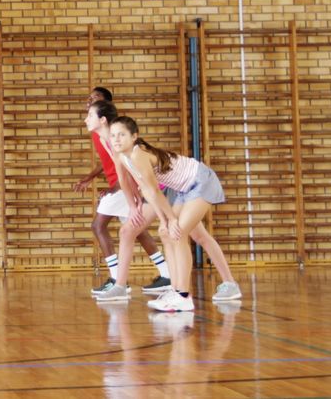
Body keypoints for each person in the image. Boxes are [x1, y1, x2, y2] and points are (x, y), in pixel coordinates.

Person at [89, 102, 241, 305]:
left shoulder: (137, 155)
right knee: (172, 233)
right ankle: (191, 288)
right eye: (114, 135)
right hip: (182, 189)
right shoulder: (123, 156)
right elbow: (143, 190)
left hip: (200, 181)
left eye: (122, 135)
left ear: (134, 137)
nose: (116, 139)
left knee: (177, 233)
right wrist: (163, 219)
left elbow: (153, 191)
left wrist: (169, 219)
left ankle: (183, 296)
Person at [74, 87, 171, 295]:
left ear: (105, 113)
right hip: (125, 185)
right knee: (137, 230)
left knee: (99, 226)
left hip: (131, 185)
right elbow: (112, 162)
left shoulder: (113, 134)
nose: (89, 102)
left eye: (95, 100)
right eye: (89, 99)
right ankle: (166, 274)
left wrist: (119, 187)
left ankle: (118, 279)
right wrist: (93, 177)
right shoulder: (100, 136)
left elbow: (128, 164)